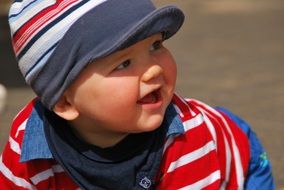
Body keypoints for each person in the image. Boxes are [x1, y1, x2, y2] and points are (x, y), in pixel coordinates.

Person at [0, 0, 275, 189]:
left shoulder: (187, 137)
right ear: (65, 101)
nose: (153, 69)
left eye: (155, 45)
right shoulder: (28, 142)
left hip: (240, 164)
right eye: (123, 63)